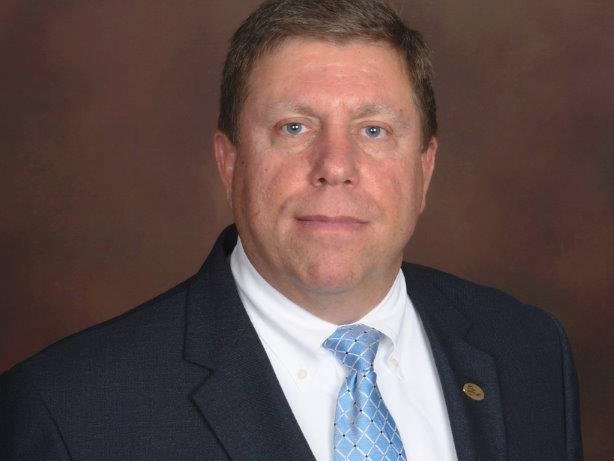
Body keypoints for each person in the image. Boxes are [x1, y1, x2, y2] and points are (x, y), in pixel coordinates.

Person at [0, 0, 582, 459]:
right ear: (229, 162)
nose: (336, 166)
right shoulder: (68, 411)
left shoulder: (529, 351)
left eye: (374, 130)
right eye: (294, 127)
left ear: (424, 169)